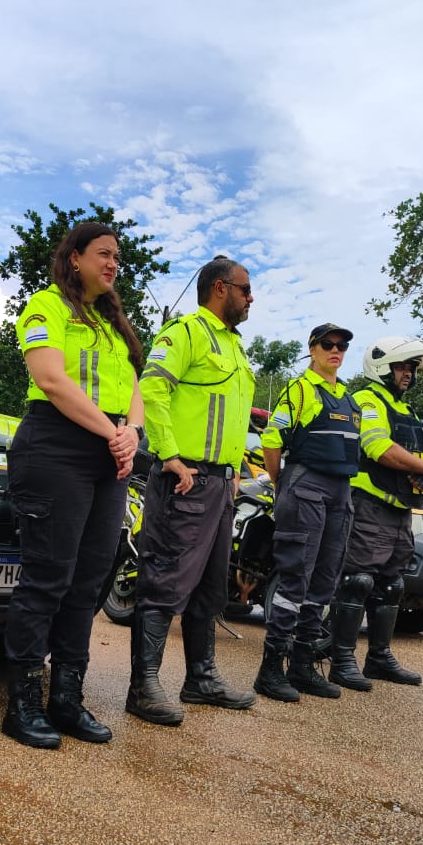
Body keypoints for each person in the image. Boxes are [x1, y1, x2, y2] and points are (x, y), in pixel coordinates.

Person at [0, 223, 144, 749]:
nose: (112, 264)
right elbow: (51, 380)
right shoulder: (46, 307)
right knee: (46, 580)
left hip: (109, 454)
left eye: (117, 256)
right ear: (75, 258)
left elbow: (134, 386)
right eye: (103, 254)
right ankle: (21, 705)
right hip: (56, 445)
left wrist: (132, 431)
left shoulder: (112, 323)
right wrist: (114, 434)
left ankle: (66, 699)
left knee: (88, 583)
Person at [126, 255, 257, 725]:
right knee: (163, 582)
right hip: (186, 479)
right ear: (220, 288)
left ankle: (200, 678)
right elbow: (152, 389)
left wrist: (236, 465)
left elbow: (227, 413)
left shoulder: (236, 348)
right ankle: (143, 686)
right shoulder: (185, 333)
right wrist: (169, 455)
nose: (250, 297)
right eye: (244, 289)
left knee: (208, 587)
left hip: (220, 484)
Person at [251, 324, 360, 703]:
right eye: (327, 344)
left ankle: (302, 665)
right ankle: (270, 668)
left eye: (342, 345)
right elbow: (271, 438)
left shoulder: (349, 398)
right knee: (295, 577)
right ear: (312, 349)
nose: (336, 350)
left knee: (325, 581)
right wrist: (282, 481)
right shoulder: (299, 390)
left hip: (340, 492)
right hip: (305, 484)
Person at [328, 336, 423, 691]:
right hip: (368, 503)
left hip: (401, 508)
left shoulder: (409, 412)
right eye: (403, 366)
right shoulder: (366, 400)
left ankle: (378, 657)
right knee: (357, 580)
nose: (409, 373)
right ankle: (341, 659)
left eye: (411, 368)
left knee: (392, 584)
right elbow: (377, 446)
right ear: (382, 367)